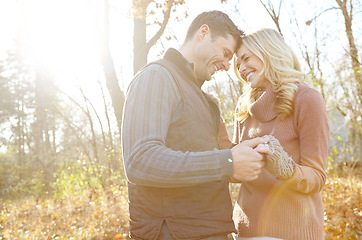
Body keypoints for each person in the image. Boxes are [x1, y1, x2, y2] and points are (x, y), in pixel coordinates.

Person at [121, 11, 271, 240]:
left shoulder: (202, 98)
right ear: (203, 32)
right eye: (225, 53)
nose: (225, 65)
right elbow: (141, 160)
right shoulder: (156, 77)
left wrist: (241, 158)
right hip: (173, 232)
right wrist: (227, 162)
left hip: (212, 230)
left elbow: (207, 164)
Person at [232, 28, 330, 240]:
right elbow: (235, 168)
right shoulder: (243, 108)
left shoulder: (307, 99)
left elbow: (317, 177)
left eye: (246, 58)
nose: (241, 68)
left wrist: (284, 167)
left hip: (294, 232)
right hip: (247, 232)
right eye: (237, 64)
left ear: (269, 51)